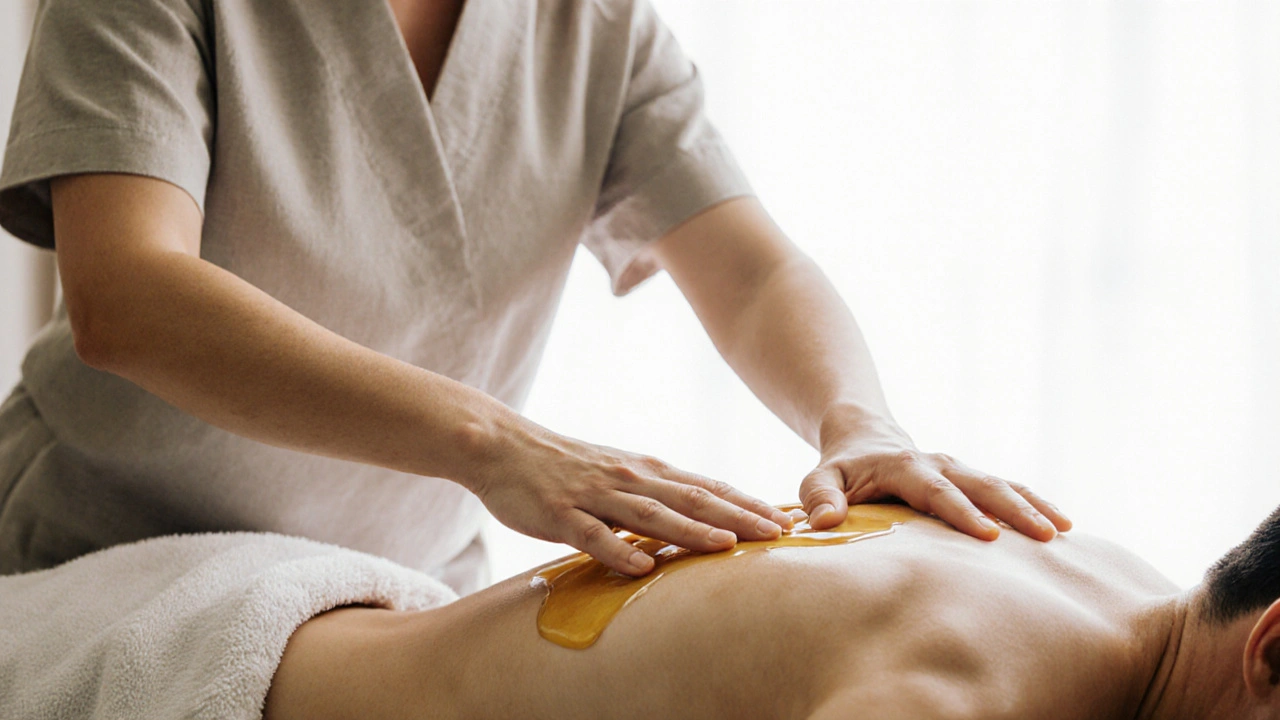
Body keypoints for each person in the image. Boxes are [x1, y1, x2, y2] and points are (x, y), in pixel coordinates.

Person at [0, 0, 1069, 593]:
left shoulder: (595, 28)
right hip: (99, 556)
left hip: (393, 583)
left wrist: (858, 420)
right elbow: (126, 295)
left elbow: (752, 272)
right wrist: (500, 447)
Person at [261, 503, 1280, 720]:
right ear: (1269, 651)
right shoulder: (962, 692)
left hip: (316, 604)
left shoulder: (1092, 564)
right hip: (245, 684)